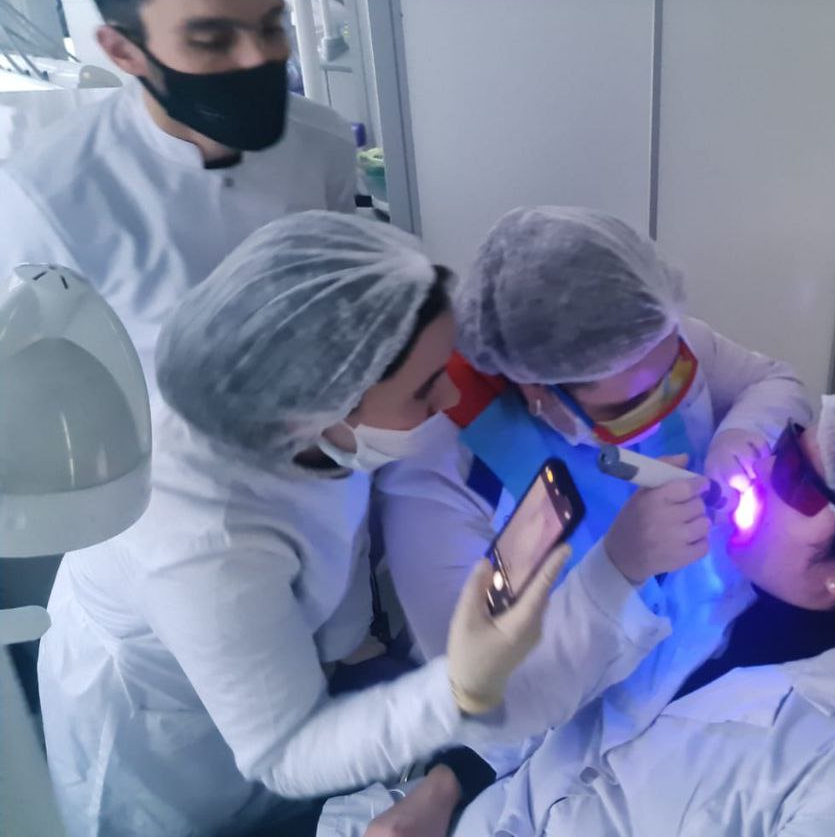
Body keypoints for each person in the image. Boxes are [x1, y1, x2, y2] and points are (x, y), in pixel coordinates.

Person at [37, 213, 681, 837]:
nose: (452, 400)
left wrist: (358, 651)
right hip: (169, 736)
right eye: (426, 388)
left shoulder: (316, 425)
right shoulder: (204, 541)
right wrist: (456, 689)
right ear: (320, 408)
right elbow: (283, 751)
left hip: (299, 664)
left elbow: (331, 520)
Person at [319, 395, 835, 836]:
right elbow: (554, 689)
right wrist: (443, 786)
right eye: (784, 444)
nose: (760, 468)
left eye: (794, 481)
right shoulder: (709, 578)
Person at [375, 206, 813, 659]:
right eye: (629, 407)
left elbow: (774, 381)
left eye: (676, 376)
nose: (664, 406)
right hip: (601, 697)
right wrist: (618, 569)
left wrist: (742, 433)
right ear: (535, 388)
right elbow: (475, 680)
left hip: (715, 635)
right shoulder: (439, 478)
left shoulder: (645, 335)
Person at [0, 0, 360, 395]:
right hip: (168, 445)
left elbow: (341, 296)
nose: (257, 58)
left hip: (322, 429)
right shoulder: (46, 197)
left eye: (269, 27)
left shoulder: (323, 141)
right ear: (124, 51)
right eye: (211, 40)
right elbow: (33, 390)